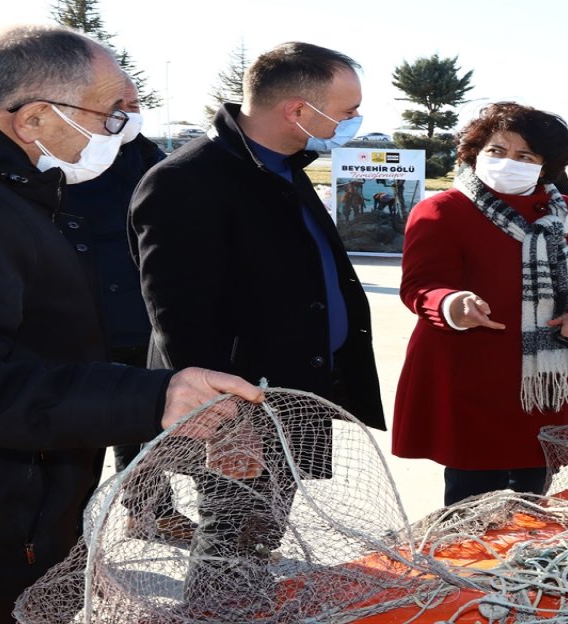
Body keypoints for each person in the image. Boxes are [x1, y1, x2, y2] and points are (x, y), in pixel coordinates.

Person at [0, 25, 261, 623]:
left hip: (26, 507)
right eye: (113, 114)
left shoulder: (17, 191)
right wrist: (152, 395)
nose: (125, 132)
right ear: (34, 121)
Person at [129, 42, 384, 612]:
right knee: (235, 534)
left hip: (288, 392)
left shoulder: (281, 170)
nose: (353, 124)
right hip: (240, 405)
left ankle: (238, 608)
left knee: (258, 533)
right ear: (298, 110)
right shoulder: (189, 181)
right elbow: (178, 315)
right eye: (346, 113)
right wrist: (222, 422)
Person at [394, 102, 568, 506]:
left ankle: (520, 564)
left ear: (544, 166)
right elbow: (420, 284)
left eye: (525, 156)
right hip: (474, 375)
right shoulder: (442, 210)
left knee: (534, 489)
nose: (507, 162)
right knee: (473, 498)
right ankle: (465, 567)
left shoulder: (565, 211)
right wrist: (451, 303)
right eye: (496, 150)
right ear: (475, 152)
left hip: (550, 380)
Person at [58, 79, 193, 544]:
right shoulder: (63, 151)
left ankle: (150, 511)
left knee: (139, 420)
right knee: (74, 431)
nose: (131, 115)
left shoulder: (140, 151)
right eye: (121, 106)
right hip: (78, 314)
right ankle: (67, 538)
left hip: (139, 311)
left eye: (137, 105)